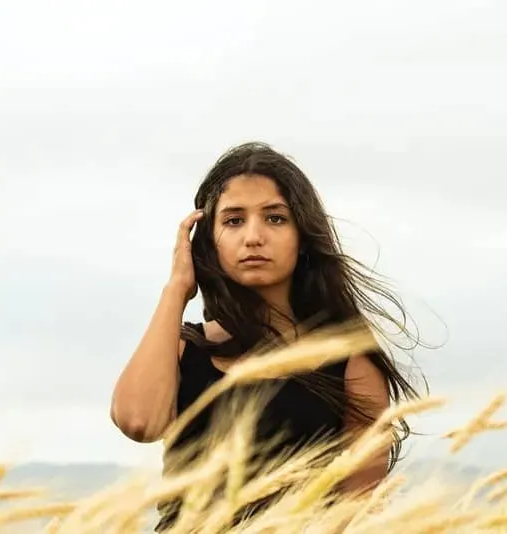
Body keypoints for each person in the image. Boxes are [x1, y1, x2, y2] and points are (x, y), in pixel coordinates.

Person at [109, 142, 425, 530]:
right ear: (208, 241)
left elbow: (356, 513)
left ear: (302, 236)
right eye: (233, 221)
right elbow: (138, 422)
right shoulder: (184, 349)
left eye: (275, 219)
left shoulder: (349, 363)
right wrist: (177, 288)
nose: (254, 237)